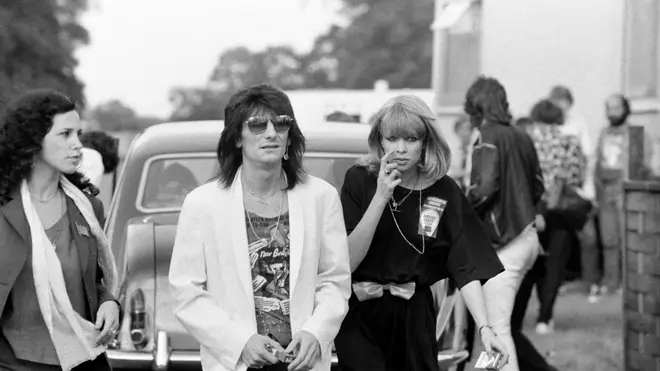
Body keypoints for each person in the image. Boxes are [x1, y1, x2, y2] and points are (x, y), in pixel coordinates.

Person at [168, 84, 351, 371]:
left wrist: (316, 332)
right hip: (236, 362)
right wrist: (239, 342)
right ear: (237, 138)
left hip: (303, 362)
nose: (270, 133)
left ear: (290, 136)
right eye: (256, 125)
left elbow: (335, 280)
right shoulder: (202, 203)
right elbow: (185, 293)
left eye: (281, 123)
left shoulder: (321, 197)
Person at [335, 94, 509, 371]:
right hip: (359, 312)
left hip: (414, 315)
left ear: (426, 141)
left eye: (411, 139)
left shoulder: (445, 191)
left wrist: (485, 328)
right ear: (380, 140)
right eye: (392, 139)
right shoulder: (360, 179)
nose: (401, 149)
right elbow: (347, 261)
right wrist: (381, 196)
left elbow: (466, 263)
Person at [0, 89, 120, 371]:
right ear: (33, 140)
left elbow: (95, 282)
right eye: (65, 134)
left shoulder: (88, 208)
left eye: (78, 133)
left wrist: (110, 303)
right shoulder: (4, 208)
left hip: (81, 359)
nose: (78, 144)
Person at [463, 77, 545, 371]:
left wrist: (460, 203)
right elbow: (538, 186)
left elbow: (484, 189)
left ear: (476, 104)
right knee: (499, 327)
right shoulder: (522, 135)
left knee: (496, 330)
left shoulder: (486, 136)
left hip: (503, 242)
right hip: (527, 237)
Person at [525, 99, 586, 334]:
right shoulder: (570, 141)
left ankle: (540, 313)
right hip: (561, 210)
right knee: (555, 263)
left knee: (537, 263)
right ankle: (545, 317)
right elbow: (577, 177)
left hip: (534, 209)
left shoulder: (528, 140)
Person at [593, 94, 653, 295]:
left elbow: (643, 164)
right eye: (608, 108)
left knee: (628, 240)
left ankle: (629, 283)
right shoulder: (603, 133)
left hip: (625, 192)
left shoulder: (637, 134)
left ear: (625, 109)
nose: (611, 113)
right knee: (608, 240)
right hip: (605, 192)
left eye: (616, 108)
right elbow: (598, 160)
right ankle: (611, 281)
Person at [548, 85, 600, 304]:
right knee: (559, 240)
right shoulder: (550, 126)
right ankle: (558, 281)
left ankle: (592, 282)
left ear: (569, 102)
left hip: (577, 190)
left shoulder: (578, 125)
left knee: (587, 237)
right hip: (557, 190)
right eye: (555, 101)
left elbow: (588, 158)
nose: (559, 105)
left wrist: (588, 190)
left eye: (562, 101)